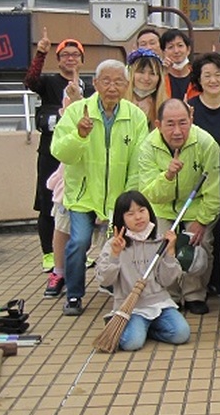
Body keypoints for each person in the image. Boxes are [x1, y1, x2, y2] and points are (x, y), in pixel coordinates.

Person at [52, 59, 150, 315]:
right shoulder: (77, 111)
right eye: (105, 81)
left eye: (118, 81)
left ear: (126, 85)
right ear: (94, 83)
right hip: (84, 194)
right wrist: (80, 136)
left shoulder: (135, 115)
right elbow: (61, 152)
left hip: (118, 196)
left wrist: (128, 199)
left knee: (120, 243)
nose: (112, 87)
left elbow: (137, 161)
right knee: (79, 241)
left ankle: (116, 287)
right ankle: (74, 294)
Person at [136, 99, 220, 315]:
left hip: (197, 204)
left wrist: (202, 221)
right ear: (158, 124)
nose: (177, 131)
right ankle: (170, 293)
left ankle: (194, 294)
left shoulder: (205, 143)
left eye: (183, 123)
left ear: (191, 120)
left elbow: (214, 189)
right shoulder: (148, 146)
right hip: (162, 208)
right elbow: (149, 192)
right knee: (163, 246)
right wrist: (168, 175)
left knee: (202, 245)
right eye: (170, 124)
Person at [25, 30, 94, 274]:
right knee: (47, 203)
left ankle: (79, 253)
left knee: (80, 203)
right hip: (50, 152)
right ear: (59, 59)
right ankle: (48, 254)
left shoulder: (89, 85)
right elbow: (30, 82)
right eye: (65, 55)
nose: (71, 59)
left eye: (76, 55)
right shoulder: (49, 82)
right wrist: (41, 52)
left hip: (79, 153)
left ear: (82, 59)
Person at [96, 191, 190, 351]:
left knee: (181, 334)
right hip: (131, 308)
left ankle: (149, 330)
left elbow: (168, 281)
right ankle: (132, 328)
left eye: (142, 210)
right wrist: (115, 255)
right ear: (121, 218)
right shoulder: (114, 244)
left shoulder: (159, 241)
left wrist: (170, 252)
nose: (138, 217)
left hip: (159, 303)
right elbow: (105, 280)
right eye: (130, 214)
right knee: (132, 343)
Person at [123, 48, 170, 129]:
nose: (146, 78)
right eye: (141, 72)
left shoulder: (165, 107)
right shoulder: (118, 102)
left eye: (152, 73)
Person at [161, 29, 195, 100]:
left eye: (180, 45)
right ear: (164, 52)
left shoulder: (198, 76)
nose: (176, 51)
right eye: (170, 47)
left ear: (188, 49)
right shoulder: (159, 79)